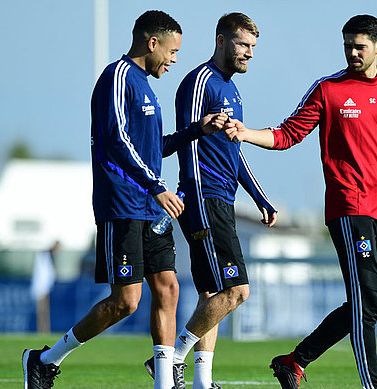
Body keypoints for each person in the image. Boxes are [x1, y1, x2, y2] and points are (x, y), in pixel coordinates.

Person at [225, 14, 377, 389]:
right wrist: (247, 133)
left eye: (360, 46)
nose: (352, 53)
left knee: (368, 307)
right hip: (348, 208)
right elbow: (288, 134)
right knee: (364, 306)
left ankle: (294, 361)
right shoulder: (329, 89)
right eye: (347, 46)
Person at [22, 10, 232, 389]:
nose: (174, 59)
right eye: (171, 51)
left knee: (169, 287)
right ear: (152, 43)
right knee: (126, 302)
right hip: (122, 205)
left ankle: (164, 382)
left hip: (150, 207)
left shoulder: (147, 87)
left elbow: (153, 149)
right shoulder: (117, 78)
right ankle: (45, 359)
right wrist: (157, 186)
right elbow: (118, 142)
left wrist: (194, 131)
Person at [144, 12, 277, 389]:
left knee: (212, 294)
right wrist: (195, 197)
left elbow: (234, 154)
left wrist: (260, 198)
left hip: (223, 200)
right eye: (241, 44)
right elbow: (187, 142)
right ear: (221, 41)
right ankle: (172, 361)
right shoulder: (199, 81)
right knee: (237, 291)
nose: (248, 53)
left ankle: (203, 382)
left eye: (253, 46)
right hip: (204, 198)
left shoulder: (233, 90)